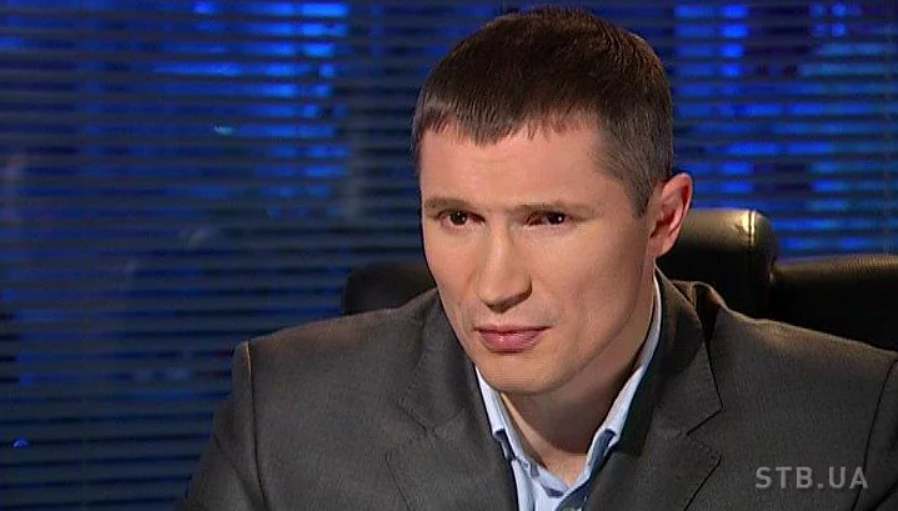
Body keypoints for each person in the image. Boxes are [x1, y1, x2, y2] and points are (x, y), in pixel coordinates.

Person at [176, 8, 898, 511]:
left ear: (663, 219)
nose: (494, 286)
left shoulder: (850, 426)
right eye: (457, 218)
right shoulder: (286, 413)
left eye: (549, 219)